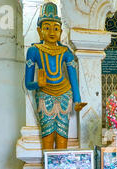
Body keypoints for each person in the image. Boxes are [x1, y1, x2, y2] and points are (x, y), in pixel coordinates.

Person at [24, 2, 87, 150]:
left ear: (61, 32)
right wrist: (37, 84)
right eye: (47, 28)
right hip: (44, 95)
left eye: (56, 28)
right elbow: (28, 83)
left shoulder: (66, 52)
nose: (52, 32)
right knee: (47, 134)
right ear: (39, 32)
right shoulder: (34, 51)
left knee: (62, 134)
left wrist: (77, 99)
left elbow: (73, 78)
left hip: (65, 94)